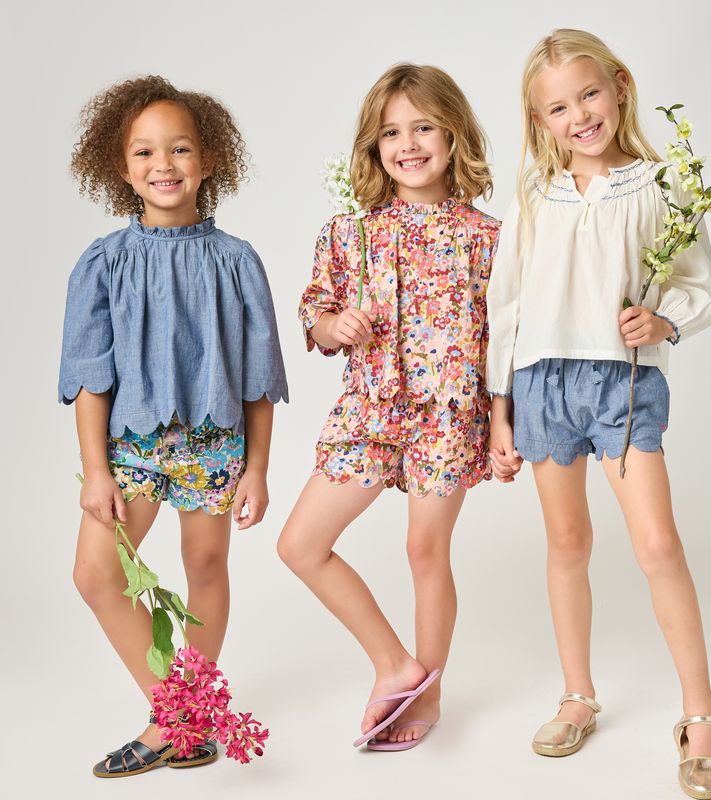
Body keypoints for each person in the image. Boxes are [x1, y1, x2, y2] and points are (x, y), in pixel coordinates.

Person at [487, 29, 711, 799]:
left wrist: (664, 324)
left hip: (623, 382)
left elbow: (703, 285)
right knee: (567, 541)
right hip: (541, 383)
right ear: (540, 121)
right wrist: (500, 409)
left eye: (588, 93)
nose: (579, 115)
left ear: (618, 86)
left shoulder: (664, 183)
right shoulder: (533, 195)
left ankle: (700, 720)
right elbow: (508, 305)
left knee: (657, 544)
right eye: (557, 107)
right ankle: (577, 695)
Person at [60, 75, 288, 777]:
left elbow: (257, 379)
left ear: (210, 160)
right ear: (122, 168)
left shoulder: (237, 262)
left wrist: (258, 467)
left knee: (206, 565)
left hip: (215, 444)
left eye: (181, 148)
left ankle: (181, 718)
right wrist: (97, 469)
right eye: (146, 152)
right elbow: (91, 376)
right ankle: (183, 717)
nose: (165, 164)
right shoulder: (103, 264)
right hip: (131, 447)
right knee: (97, 575)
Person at [278, 63, 499, 751]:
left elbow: (507, 342)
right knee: (300, 545)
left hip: (448, 414)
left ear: (454, 134)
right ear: (374, 148)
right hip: (370, 412)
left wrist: (502, 426)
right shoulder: (349, 232)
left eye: (424, 127)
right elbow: (315, 312)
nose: (408, 144)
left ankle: (428, 695)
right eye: (391, 132)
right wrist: (333, 327)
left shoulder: (488, 237)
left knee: (425, 549)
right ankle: (395, 665)